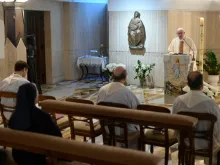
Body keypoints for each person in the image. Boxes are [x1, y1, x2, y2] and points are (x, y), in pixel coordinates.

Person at [172, 71, 220, 164]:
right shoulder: (210, 103)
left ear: (188, 84)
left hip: (185, 143)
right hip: (208, 144)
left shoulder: (178, 101)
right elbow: (218, 127)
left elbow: (174, 125)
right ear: (202, 85)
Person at [8, 83, 62, 165]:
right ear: (33, 96)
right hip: (37, 159)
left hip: (17, 157)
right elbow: (58, 138)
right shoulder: (43, 116)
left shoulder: (14, 115)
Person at [96, 66, 140, 149]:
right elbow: (137, 111)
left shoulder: (102, 90)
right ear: (125, 77)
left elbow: (97, 108)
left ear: (112, 76)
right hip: (125, 131)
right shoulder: (127, 93)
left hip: (106, 128)